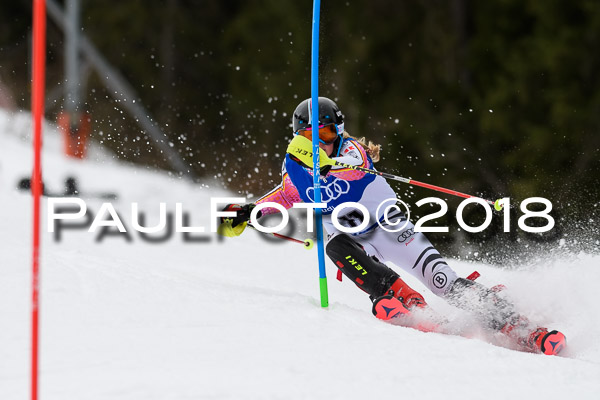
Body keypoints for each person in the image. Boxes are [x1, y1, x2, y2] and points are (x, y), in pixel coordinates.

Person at [218, 97, 565, 355]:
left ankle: (522, 327)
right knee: (336, 245)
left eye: (324, 131)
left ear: (337, 129)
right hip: (355, 241)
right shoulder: (294, 165)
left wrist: (317, 163)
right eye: (309, 134)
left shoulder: (352, 151)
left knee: (444, 283)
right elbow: (283, 196)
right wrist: (246, 213)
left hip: (391, 229)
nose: (318, 139)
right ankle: (396, 297)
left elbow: (340, 167)